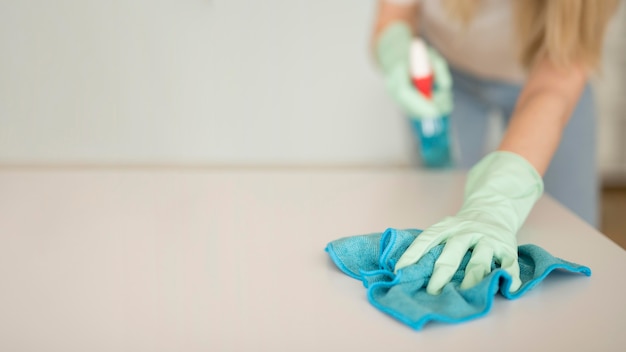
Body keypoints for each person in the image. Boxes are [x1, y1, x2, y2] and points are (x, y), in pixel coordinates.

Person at [372, 0, 619, 295]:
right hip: (446, 74)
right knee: (437, 208)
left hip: (554, 75)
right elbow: (396, 13)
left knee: (575, 240)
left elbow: (553, 86)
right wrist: (397, 49)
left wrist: (497, 199)